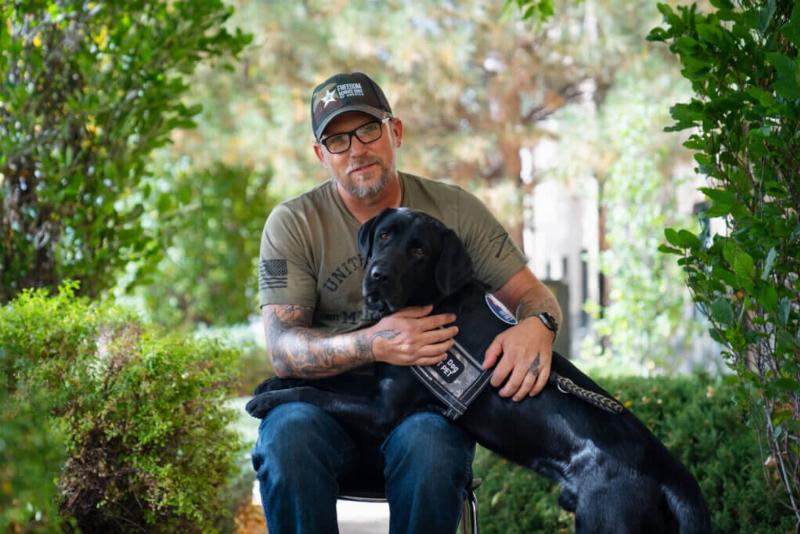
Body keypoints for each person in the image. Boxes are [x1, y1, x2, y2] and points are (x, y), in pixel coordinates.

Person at [251, 72, 562, 534]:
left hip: (422, 408)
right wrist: (375, 344)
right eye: (337, 140)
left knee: (432, 444)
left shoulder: (455, 209)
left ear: (394, 132)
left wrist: (537, 325)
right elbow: (282, 349)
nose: (356, 149)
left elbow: (536, 298)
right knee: (288, 435)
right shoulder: (294, 223)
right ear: (321, 156)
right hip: (324, 408)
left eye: (368, 130)